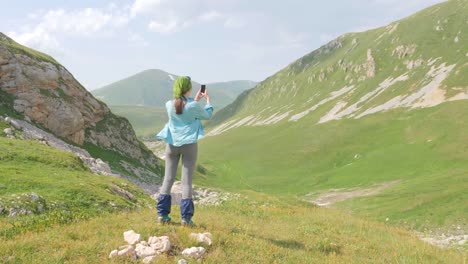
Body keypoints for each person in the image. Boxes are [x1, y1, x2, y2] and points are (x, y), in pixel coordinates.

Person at [155, 76, 213, 226]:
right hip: (189, 146)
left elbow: (182, 108)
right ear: (188, 88)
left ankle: (162, 215)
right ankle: (186, 219)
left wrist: (194, 100)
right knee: (186, 182)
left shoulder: (169, 104)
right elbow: (206, 115)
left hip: (171, 145)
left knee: (168, 178)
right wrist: (207, 101)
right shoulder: (192, 106)